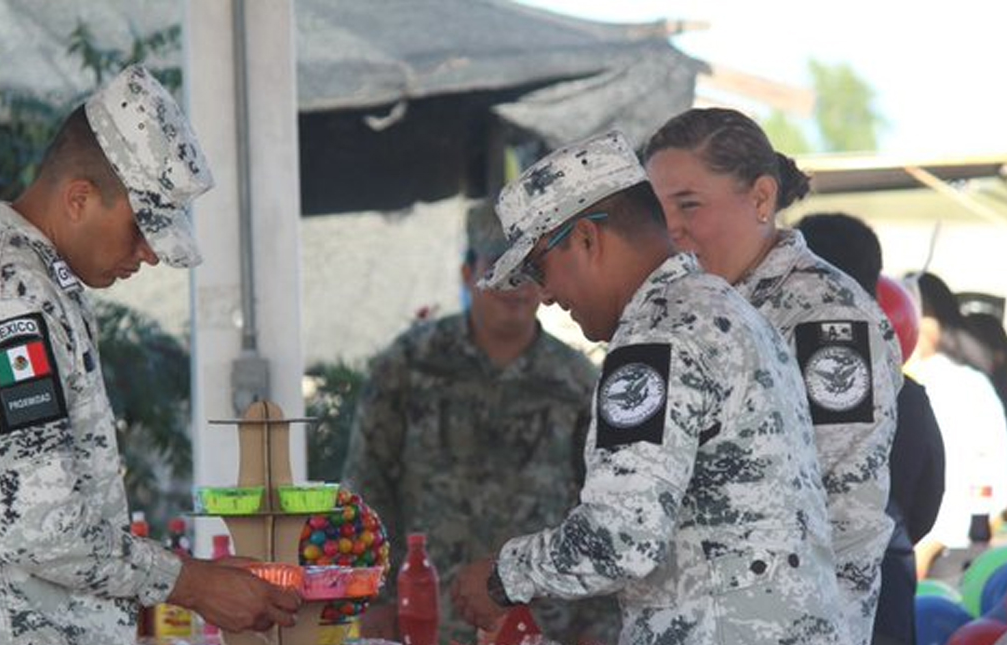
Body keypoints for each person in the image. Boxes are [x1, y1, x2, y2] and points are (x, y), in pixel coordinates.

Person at [0, 66, 301, 644]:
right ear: (78, 198)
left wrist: (195, 576)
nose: (149, 254)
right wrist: (192, 584)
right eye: (139, 229)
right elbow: (43, 529)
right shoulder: (5, 300)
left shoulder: (32, 282)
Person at [449, 130, 843, 643]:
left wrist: (503, 577)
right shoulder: (726, 309)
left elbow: (622, 536)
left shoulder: (655, 339)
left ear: (586, 239)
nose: (543, 295)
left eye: (539, 268)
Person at [643, 107, 902, 645]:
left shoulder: (827, 320)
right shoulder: (688, 309)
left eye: (689, 204)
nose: (671, 228)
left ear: (762, 198)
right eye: (658, 209)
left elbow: (845, 505)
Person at [342, 200, 619, 644]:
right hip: (426, 617)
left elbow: (603, 507)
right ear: (466, 273)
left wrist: (599, 627)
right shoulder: (409, 365)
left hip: (545, 625)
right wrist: (374, 599)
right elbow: (366, 484)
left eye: (526, 272)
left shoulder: (577, 382)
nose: (513, 286)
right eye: (497, 269)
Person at [796, 212, 945, 645]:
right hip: (884, 587)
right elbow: (927, 498)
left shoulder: (770, 376)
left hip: (794, 599)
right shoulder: (903, 390)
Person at [906, 271, 1007, 586]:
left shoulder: (951, 382)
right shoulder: (951, 376)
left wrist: (928, 547)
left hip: (948, 557)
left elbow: (972, 472)